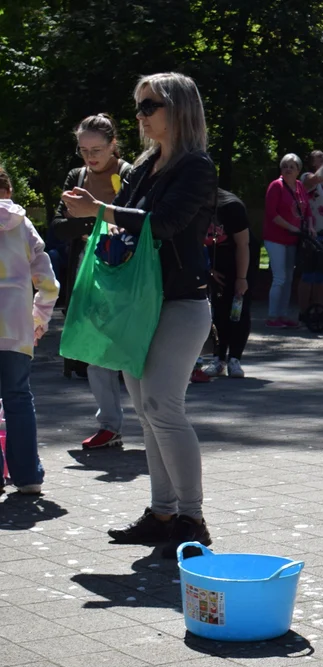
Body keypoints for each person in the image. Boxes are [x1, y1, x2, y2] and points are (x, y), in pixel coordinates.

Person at [62, 72, 218, 554]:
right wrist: (87, 219)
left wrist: (100, 212)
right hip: (138, 303)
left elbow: (165, 225)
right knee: (148, 416)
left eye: (148, 105)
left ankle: (192, 519)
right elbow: (124, 229)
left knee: (164, 408)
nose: (140, 115)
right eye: (138, 106)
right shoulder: (144, 166)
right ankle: (162, 513)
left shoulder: (196, 167)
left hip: (181, 302)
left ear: (177, 109)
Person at [51, 114, 136, 450]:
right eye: (83, 150)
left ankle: (157, 422)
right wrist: (94, 219)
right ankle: (110, 425)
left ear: (113, 144)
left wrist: (89, 214)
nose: (90, 157)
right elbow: (59, 226)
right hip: (89, 273)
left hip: (126, 274)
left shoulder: (130, 174)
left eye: (97, 149)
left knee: (131, 349)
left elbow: (137, 222)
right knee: (96, 350)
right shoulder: (78, 177)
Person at [0, 167, 59, 495]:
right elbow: (48, 282)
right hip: (16, 326)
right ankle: (28, 477)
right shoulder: (22, 226)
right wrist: (39, 319)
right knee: (19, 397)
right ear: (8, 190)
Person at [200, 188, 251, 379]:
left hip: (240, 258)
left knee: (238, 309)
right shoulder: (190, 203)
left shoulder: (231, 206)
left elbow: (243, 244)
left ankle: (235, 359)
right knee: (218, 310)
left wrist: (241, 278)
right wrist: (209, 270)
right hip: (213, 259)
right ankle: (218, 358)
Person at [263, 153, 313, 328]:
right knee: (280, 277)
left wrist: (310, 226)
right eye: (285, 166)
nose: (288, 169)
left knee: (289, 277)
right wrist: (291, 227)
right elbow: (272, 214)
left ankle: (282, 315)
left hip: (293, 239)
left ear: (299, 170)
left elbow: (307, 211)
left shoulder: (299, 186)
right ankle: (272, 316)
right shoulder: (276, 186)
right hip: (275, 238)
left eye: (292, 166)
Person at [298, 150, 323, 318]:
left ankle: (318, 311)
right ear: (312, 161)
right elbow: (317, 178)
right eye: (319, 156)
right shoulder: (307, 177)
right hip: (312, 233)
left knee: (322, 276)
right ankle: (304, 311)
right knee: (309, 274)